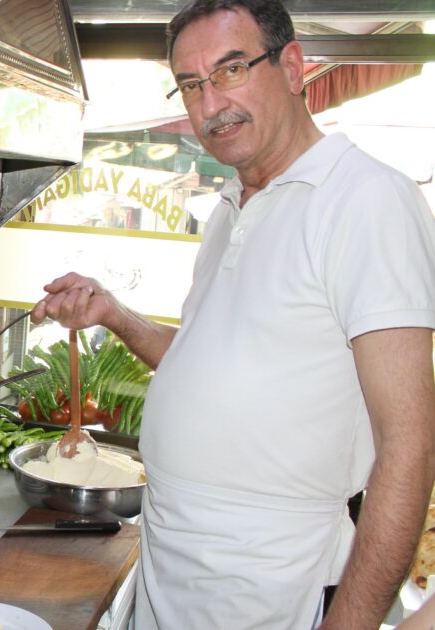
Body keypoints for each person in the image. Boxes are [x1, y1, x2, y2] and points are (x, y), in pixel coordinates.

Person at [30, 1, 435, 628]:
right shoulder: (228, 209)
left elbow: (409, 446)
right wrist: (115, 314)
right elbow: (209, 360)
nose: (210, 104)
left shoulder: (366, 200)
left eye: (231, 69)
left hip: (272, 591)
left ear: (294, 66)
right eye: (191, 84)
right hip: (172, 577)